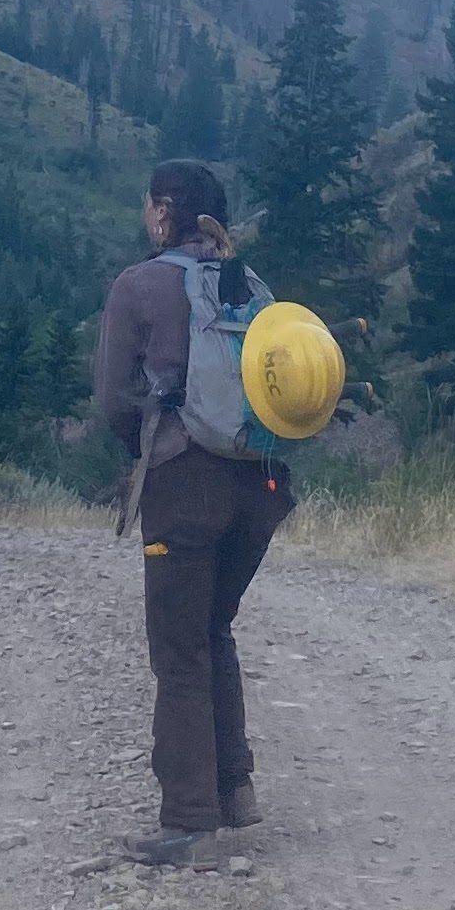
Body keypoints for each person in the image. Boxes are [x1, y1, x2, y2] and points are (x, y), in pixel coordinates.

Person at [94, 159, 293, 868]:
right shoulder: (251, 287)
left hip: (186, 485)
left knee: (179, 648)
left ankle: (187, 820)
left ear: (163, 212)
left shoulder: (140, 285)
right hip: (262, 484)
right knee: (215, 628)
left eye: (150, 205)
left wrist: (145, 452)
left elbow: (113, 401)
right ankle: (234, 788)